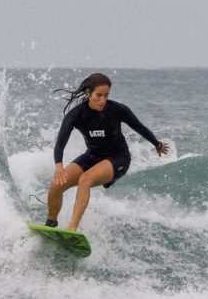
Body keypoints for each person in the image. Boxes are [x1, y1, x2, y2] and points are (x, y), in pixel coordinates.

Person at [45, 73, 170, 232]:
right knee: (56, 185)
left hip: (118, 158)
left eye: (106, 95)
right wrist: (58, 166)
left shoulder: (118, 110)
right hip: (92, 156)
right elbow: (60, 143)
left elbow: (139, 127)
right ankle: (51, 224)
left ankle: (72, 229)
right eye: (98, 95)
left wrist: (157, 144)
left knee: (85, 180)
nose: (103, 100)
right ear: (88, 93)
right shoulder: (76, 115)